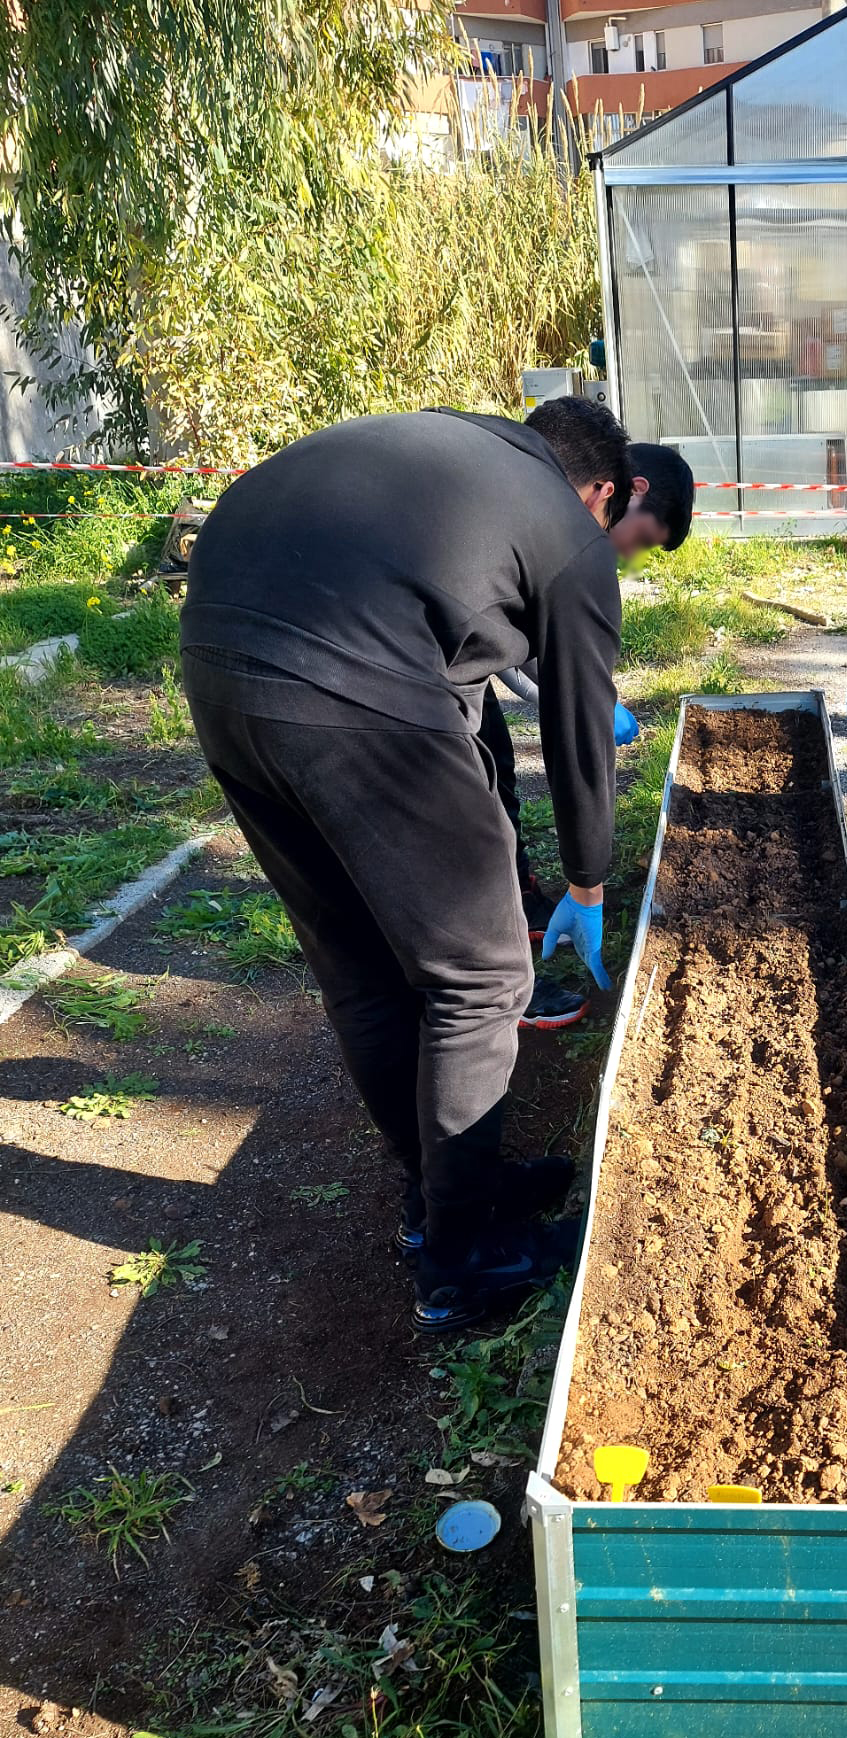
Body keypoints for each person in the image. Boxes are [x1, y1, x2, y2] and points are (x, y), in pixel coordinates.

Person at [180, 397, 630, 1331]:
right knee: (482, 974)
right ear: (602, 492)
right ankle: (463, 1261)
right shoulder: (567, 525)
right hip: (349, 688)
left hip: (220, 670)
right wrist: (587, 881)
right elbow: (580, 725)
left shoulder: (443, 448)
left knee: (364, 972)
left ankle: (446, 1194)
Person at [492, 443, 694, 1027]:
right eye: (644, 539)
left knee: (494, 766)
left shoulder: (543, 502)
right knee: (462, 816)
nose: (630, 556)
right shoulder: (548, 518)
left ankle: (518, 901)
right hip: (386, 661)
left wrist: (583, 698)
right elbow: (510, 649)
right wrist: (587, 885)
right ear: (630, 489)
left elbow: (518, 645)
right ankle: (495, 988)